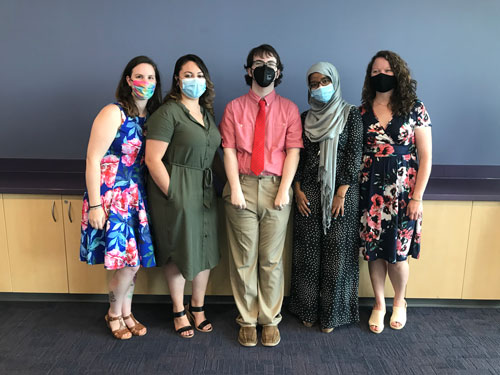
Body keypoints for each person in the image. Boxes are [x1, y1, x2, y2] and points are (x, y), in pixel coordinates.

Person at [220, 44, 303, 347]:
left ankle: (269, 319)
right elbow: (228, 151)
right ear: (248, 70)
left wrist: (283, 190)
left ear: (278, 71)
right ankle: (247, 320)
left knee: (270, 260)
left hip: (275, 188)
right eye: (258, 63)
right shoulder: (233, 108)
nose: (264, 67)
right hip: (240, 185)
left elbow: (293, 152)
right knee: (243, 259)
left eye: (270, 63)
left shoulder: (290, 109)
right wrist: (236, 189)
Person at [80, 55, 162, 339]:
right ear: (128, 80)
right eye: (139, 76)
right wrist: (95, 205)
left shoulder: (149, 117)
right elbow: (92, 159)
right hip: (111, 196)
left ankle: (127, 312)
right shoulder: (114, 112)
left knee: (133, 262)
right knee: (128, 262)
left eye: (151, 78)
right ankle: (114, 313)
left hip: (135, 197)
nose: (145, 83)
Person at [145, 54, 221, 339]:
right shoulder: (168, 113)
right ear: (177, 78)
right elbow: (153, 160)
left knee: (205, 250)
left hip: (204, 190)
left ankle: (197, 307)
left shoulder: (206, 113)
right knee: (178, 250)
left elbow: (212, 153)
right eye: (188, 75)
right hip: (176, 187)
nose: (194, 80)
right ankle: (178, 310)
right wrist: (174, 195)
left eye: (199, 75)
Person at [359, 50, 432, 333]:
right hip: (371, 191)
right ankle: (379, 303)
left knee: (398, 254)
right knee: (374, 251)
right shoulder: (361, 111)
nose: (381, 76)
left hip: (405, 193)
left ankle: (399, 301)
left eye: (387, 71)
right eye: (376, 72)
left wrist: (417, 197)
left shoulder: (415, 107)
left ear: (398, 73)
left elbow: (425, 156)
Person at [289, 62, 363, 333]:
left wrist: (341, 193)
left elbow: (354, 155)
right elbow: (296, 156)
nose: (319, 87)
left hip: (341, 195)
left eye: (324, 81)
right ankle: (306, 309)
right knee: (307, 256)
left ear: (335, 82)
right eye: (314, 83)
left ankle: (333, 315)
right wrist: (296, 191)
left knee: (336, 257)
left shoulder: (351, 115)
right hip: (306, 192)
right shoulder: (303, 117)